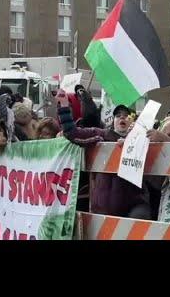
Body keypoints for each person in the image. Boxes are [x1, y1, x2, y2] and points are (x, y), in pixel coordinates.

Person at [56, 90, 150, 219]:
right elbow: (72, 133)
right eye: (118, 115)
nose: (122, 117)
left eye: (126, 115)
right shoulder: (102, 134)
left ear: (134, 120)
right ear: (113, 121)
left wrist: (135, 142)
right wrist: (64, 105)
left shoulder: (143, 138)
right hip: (104, 208)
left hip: (134, 206)